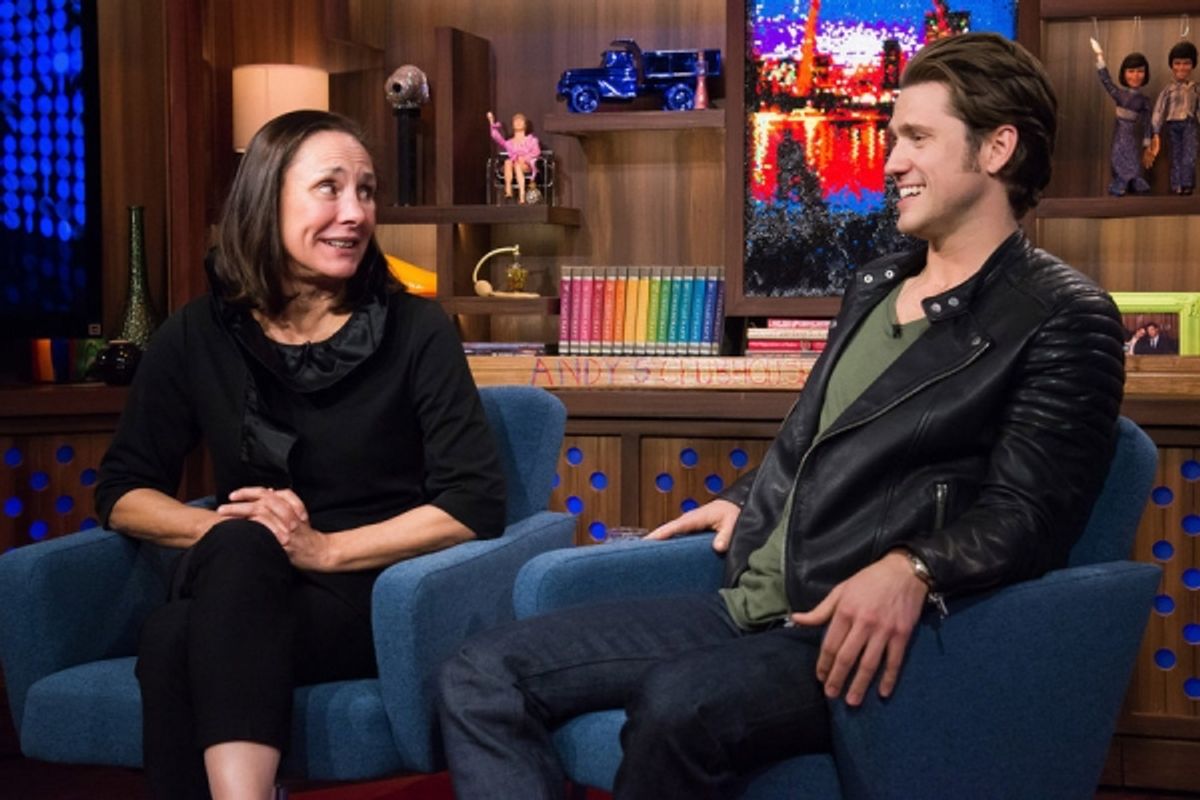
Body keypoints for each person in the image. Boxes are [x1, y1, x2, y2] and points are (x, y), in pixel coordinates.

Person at [437, 32, 1126, 799]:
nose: (891, 162)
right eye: (894, 137)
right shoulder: (875, 283)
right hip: (749, 599)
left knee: (676, 705)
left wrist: (915, 566)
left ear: (998, 148)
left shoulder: (1063, 315)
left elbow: (1031, 515)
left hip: (844, 628)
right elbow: (834, 431)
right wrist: (744, 499)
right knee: (480, 672)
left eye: (917, 138)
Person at [95, 110, 506, 800]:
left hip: (371, 590)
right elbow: (122, 491)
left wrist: (324, 550)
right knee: (239, 550)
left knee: (172, 637)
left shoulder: (416, 329)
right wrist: (230, 530)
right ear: (267, 198)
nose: (355, 213)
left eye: (367, 192)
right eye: (331, 188)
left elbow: (474, 502)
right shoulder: (198, 332)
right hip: (243, 579)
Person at [1090, 38, 1152, 195]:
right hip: (1119, 135)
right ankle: (1121, 182)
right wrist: (1099, 57)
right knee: (1117, 158)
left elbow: (1147, 123)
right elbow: (1106, 81)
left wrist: (1147, 143)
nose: (1136, 76)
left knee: (1133, 159)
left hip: (1131, 137)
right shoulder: (1120, 95)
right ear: (1124, 73)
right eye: (1131, 71)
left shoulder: (1144, 101)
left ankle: (1134, 181)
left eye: (1140, 71)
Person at [1145, 40, 1200, 194]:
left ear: (1192, 65)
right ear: (1172, 65)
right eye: (1177, 63)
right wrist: (1156, 131)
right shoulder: (1168, 89)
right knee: (1175, 156)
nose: (1182, 67)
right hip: (1172, 125)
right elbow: (1159, 110)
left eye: (1186, 63)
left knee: (1189, 155)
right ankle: (1177, 186)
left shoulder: (1195, 88)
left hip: (1189, 124)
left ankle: (1187, 184)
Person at [487, 110, 541, 203]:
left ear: (525, 125)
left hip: (526, 164)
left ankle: (522, 195)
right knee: (508, 162)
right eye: (516, 121)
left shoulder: (532, 140)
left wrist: (524, 158)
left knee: (517, 165)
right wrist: (491, 121)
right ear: (512, 125)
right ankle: (508, 189)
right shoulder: (509, 143)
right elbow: (496, 137)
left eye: (521, 121)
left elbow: (536, 152)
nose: (518, 122)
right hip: (513, 164)